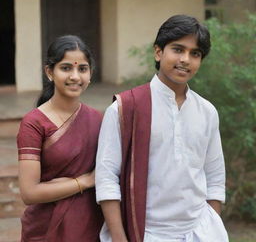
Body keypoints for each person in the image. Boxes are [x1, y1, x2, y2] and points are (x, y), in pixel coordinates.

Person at [95, 15, 229, 242]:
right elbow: (107, 178)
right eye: (178, 49)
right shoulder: (124, 108)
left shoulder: (207, 112)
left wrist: (210, 226)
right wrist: (119, 237)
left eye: (195, 54)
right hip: (147, 233)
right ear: (158, 52)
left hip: (200, 231)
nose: (185, 59)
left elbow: (214, 177)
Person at [17, 35, 103, 242]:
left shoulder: (98, 119)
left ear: (90, 74)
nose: (75, 76)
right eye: (66, 68)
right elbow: (29, 193)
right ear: (49, 72)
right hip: (46, 229)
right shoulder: (34, 123)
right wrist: (85, 181)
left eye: (82, 69)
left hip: (90, 226)